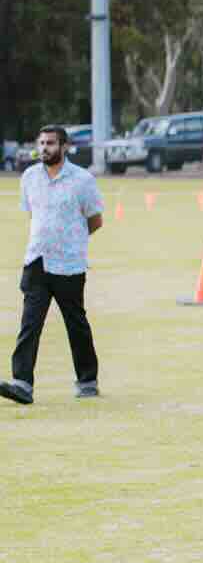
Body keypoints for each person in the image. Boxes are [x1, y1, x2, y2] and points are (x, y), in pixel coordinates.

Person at [2, 126, 104, 406]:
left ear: (64, 146)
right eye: (42, 143)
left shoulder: (82, 180)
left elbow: (95, 220)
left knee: (76, 324)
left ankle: (87, 381)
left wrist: (72, 241)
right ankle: (22, 383)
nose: (45, 148)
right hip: (36, 261)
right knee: (29, 324)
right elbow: (34, 215)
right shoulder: (29, 177)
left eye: (51, 143)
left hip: (69, 264)